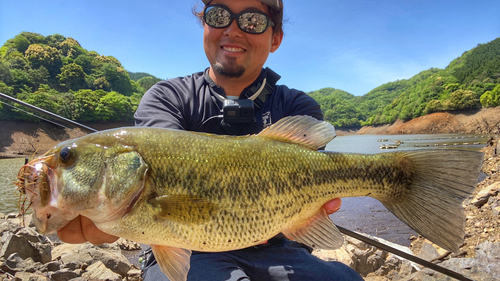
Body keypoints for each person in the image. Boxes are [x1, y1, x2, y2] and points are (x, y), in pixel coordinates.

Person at [57, 0, 364, 280]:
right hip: (181, 245)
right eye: (219, 15)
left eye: (252, 21)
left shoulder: (298, 108)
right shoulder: (166, 99)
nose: (232, 30)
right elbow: (157, 176)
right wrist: (112, 212)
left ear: (276, 38)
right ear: (204, 25)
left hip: (280, 246)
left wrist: (309, 217)